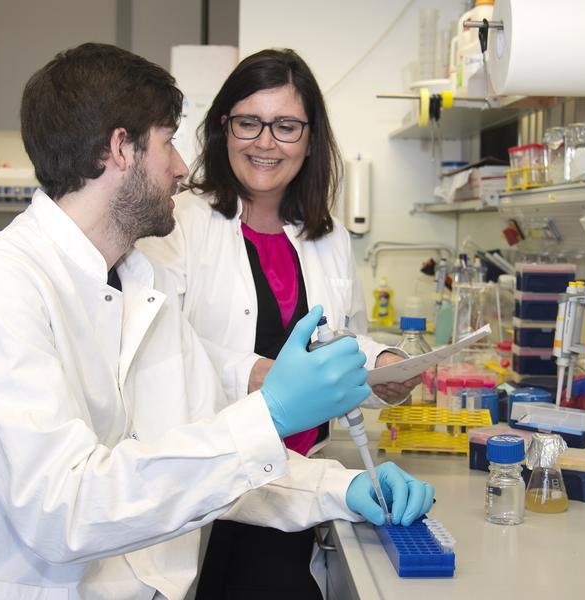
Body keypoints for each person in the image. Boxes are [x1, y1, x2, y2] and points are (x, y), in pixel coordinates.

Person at [0, 43, 434, 600]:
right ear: (121, 149)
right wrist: (269, 412)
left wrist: (343, 488)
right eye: (168, 142)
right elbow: (63, 509)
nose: (181, 168)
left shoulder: (141, 292)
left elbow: (209, 462)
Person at [138, 49, 424, 599]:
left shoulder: (328, 234)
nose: (265, 142)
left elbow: (339, 337)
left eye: (286, 126)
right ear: (224, 129)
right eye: (249, 122)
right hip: (217, 487)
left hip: (308, 473)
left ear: (311, 139)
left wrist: (381, 364)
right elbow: (165, 349)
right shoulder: (179, 223)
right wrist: (264, 376)